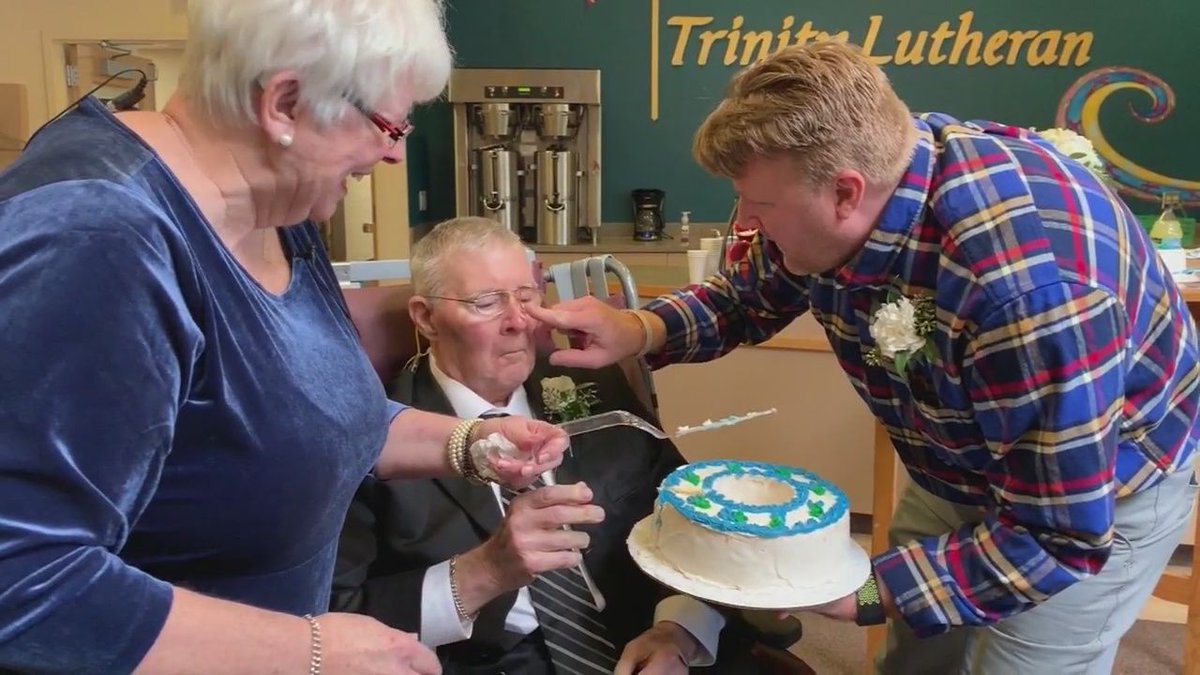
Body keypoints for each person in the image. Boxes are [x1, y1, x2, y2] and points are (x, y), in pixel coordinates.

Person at [528, 41, 1200, 674]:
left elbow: (1058, 536)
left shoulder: (1027, 295)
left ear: (846, 193)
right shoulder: (869, 170)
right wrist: (639, 328)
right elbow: (750, 296)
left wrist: (864, 592)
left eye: (760, 204)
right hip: (955, 466)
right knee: (912, 658)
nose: (746, 222)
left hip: (1091, 492)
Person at [0, 3, 567, 674]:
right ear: (285, 104)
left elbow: (303, 414)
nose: (395, 154)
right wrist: (311, 649)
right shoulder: (94, 237)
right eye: (389, 126)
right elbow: (23, 581)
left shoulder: (275, 205)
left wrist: (470, 443)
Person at [332, 217, 762, 675]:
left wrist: (679, 630)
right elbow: (335, 618)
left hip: (642, 636)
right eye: (487, 303)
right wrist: (484, 572)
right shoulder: (373, 440)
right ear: (426, 318)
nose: (519, 322)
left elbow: (689, 516)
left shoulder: (592, 382)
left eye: (526, 297)